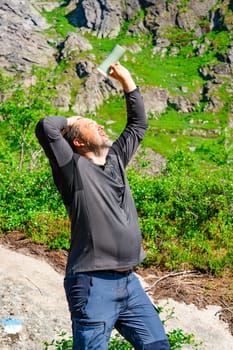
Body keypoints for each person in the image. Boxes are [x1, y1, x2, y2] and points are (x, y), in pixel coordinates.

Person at [35, 63, 170, 350]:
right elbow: (46, 126)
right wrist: (74, 119)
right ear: (80, 141)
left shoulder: (116, 160)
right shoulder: (72, 168)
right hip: (93, 284)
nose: (100, 124)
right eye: (90, 124)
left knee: (158, 346)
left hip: (130, 283)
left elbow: (138, 124)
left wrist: (127, 81)